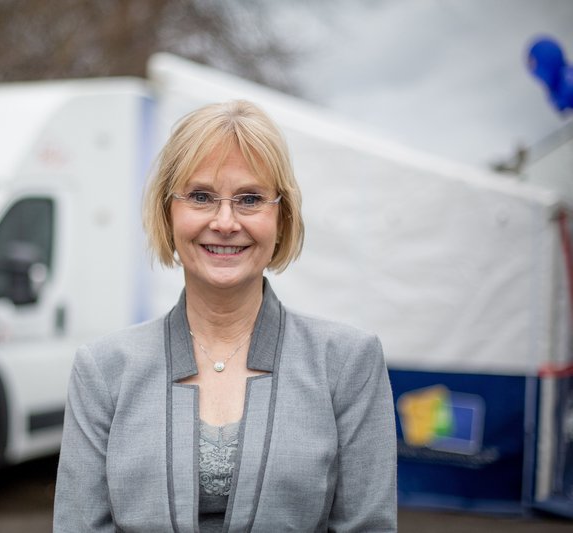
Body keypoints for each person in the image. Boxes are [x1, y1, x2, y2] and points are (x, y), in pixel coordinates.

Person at [53, 100, 397, 532]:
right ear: (167, 212)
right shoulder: (103, 370)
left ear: (282, 218)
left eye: (250, 199)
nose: (225, 221)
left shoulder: (347, 363)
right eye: (200, 196)